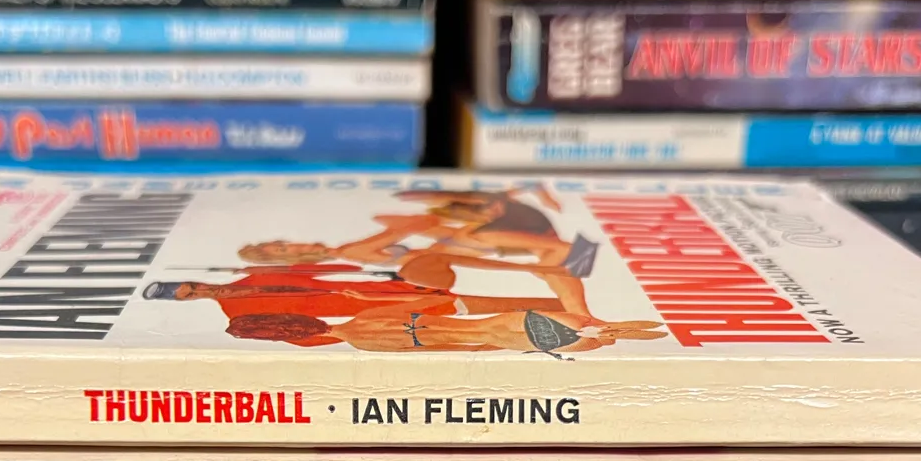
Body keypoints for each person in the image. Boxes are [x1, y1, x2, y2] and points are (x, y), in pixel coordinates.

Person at [234, 185, 599, 313]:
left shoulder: (349, 252)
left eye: (284, 242)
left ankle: (573, 291)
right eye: (285, 248)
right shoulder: (350, 251)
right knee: (530, 253)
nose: (294, 243)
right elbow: (409, 229)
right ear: (291, 257)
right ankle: (571, 269)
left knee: (544, 262)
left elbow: (412, 233)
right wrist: (413, 220)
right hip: (439, 259)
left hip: (441, 254)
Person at [218, 308, 667, 358]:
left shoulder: (361, 341)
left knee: (601, 338)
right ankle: (655, 329)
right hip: (505, 322)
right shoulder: (363, 319)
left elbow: (445, 342)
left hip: (502, 337)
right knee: (602, 328)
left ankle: (651, 333)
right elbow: (438, 314)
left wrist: (483, 348)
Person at [142, 277, 570, 321]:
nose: (202, 291)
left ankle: (573, 308)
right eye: (191, 296)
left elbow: (326, 274)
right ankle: (572, 314)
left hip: (386, 291)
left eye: (193, 285)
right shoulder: (237, 313)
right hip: (375, 311)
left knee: (486, 301)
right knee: (480, 312)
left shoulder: (255, 276)